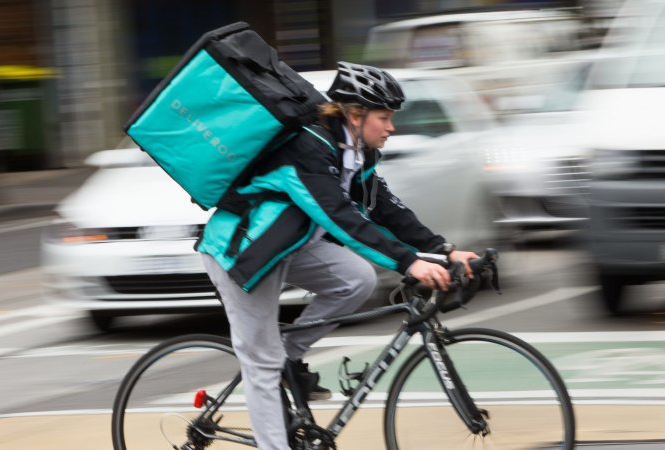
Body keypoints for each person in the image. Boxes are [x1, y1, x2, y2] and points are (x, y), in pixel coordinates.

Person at [197, 61, 478, 450]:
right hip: (243, 255)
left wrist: (442, 250)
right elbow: (343, 220)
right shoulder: (306, 150)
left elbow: (386, 210)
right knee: (260, 363)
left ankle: (289, 356)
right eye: (384, 117)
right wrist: (408, 262)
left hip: (290, 246)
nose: (391, 127)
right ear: (356, 114)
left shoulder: (356, 153)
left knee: (356, 280)